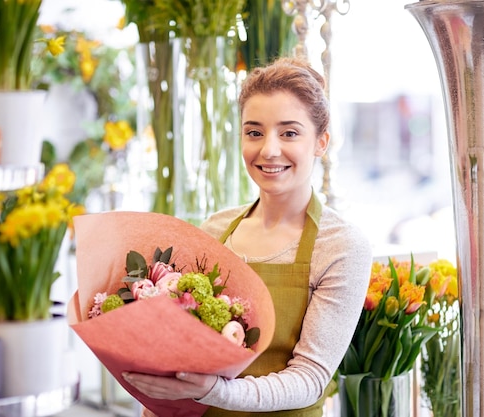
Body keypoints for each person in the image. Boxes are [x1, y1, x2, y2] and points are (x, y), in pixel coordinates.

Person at [123, 56, 372, 416]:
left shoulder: (341, 246)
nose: (269, 150)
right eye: (254, 132)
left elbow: (309, 378)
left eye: (289, 133)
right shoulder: (215, 230)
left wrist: (214, 391)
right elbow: (179, 345)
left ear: (321, 142)